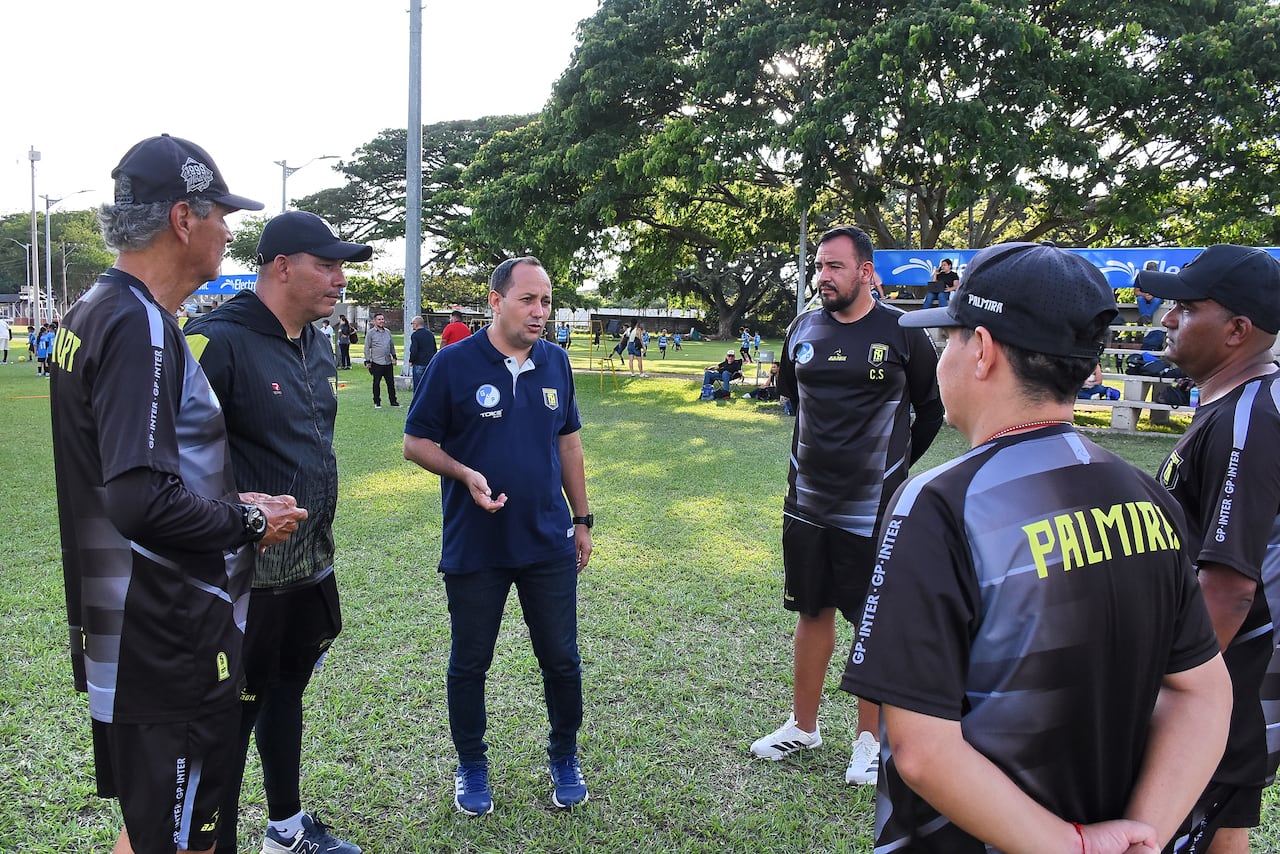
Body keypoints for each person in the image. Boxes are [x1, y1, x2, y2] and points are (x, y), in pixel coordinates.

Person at [841, 240, 1232, 853]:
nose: (942, 355)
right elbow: (1203, 692)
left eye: (949, 338)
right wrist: (1142, 835)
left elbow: (922, 750)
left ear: (982, 350)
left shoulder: (939, 503)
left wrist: (1074, 846)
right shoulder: (1146, 495)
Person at [48, 133, 307, 854]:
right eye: (221, 213)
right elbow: (139, 500)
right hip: (169, 635)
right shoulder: (139, 326)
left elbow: (132, 472)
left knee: (155, 830)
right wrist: (247, 521)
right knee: (187, 838)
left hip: (127, 632)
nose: (230, 230)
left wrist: (231, 500)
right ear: (183, 219)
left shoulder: (94, 309)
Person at [184, 210, 371, 854]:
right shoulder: (216, 340)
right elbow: (170, 463)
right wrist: (237, 511)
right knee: (230, 719)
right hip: (243, 577)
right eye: (328, 265)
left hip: (310, 563)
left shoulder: (317, 343)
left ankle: (286, 830)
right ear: (282, 267)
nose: (340, 279)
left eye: (342, 266)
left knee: (287, 693)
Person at [749, 225, 944, 789]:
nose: (822, 276)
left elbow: (930, 410)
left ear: (866, 272)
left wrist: (894, 471)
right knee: (812, 610)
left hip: (873, 507)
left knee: (869, 619)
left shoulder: (903, 332)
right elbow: (793, 397)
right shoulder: (802, 328)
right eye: (818, 266)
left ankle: (868, 742)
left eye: (834, 266)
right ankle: (803, 726)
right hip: (807, 500)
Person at [403, 256, 593, 817]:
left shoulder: (557, 362)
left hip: (547, 540)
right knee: (470, 663)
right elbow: (416, 442)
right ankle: (471, 764)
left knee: (561, 660)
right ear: (495, 300)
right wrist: (464, 473)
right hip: (476, 544)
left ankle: (564, 757)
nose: (540, 312)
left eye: (546, 301)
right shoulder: (453, 363)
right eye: (528, 299)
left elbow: (568, 444)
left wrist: (582, 518)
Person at [1135, 245, 1280, 853]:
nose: (1167, 319)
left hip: (1226, 676)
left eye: (1188, 308)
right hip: (1231, 678)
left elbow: (1227, 585)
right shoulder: (1237, 406)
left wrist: (1166, 691)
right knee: (1225, 827)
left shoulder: (1248, 421)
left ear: (1237, 331)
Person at [364, 312, 399, 408]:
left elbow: (391, 345)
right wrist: (367, 361)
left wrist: (394, 357)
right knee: (376, 383)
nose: (381, 321)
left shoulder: (387, 332)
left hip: (387, 362)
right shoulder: (370, 333)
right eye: (379, 319)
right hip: (377, 362)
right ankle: (377, 402)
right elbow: (367, 348)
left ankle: (393, 401)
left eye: (382, 319)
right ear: (374, 321)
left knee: (390, 383)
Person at [408, 314, 438, 403]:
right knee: (428, 384)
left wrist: (411, 360)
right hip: (429, 362)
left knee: (418, 386)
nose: (412, 325)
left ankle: (417, 403)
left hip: (419, 363)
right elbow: (434, 348)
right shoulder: (430, 334)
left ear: (416, 324)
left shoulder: (415, 335)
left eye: (412, 323)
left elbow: (414, 349)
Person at [1135, 260, 1164, 325]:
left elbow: (1163, 292)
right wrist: (1144, 295)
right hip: (1143, 296)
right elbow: (1136, 292)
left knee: (1156, 300)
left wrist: (1153, 296)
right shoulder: (1140, 277)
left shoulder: (1161, 277)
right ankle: (1146, 318)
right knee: (1140, 299)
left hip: (1156, 297)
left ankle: (1144, 317)